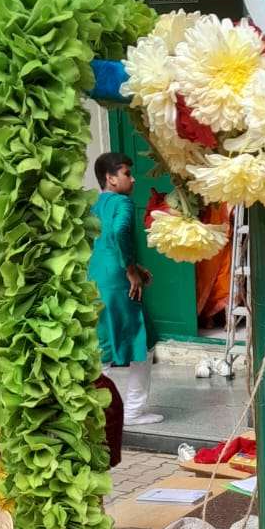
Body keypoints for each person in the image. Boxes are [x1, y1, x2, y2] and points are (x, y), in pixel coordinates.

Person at [88, 152, 163, 426]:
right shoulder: (123, 203)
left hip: (95, 276)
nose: (133, 180)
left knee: (103, 343)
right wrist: (131, 271)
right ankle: (132, 411)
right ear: (110, 178)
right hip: (118, 281)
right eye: (127, 174)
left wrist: (135, 266)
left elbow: (103, 242)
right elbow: (119, 233)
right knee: (144, 342)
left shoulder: (94, 204)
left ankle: (95, 411)